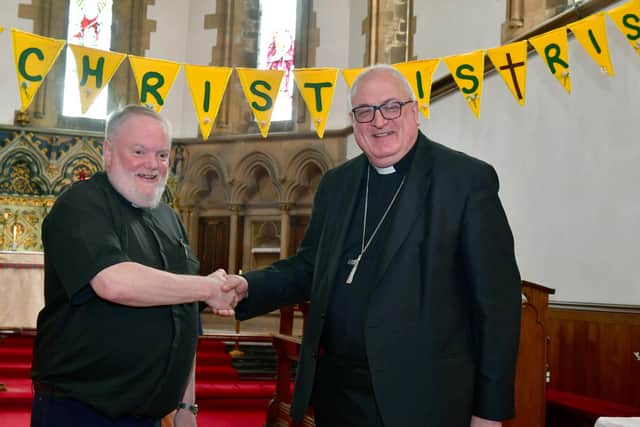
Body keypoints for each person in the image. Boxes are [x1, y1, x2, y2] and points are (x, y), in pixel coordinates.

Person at [222, 64, 522, 427]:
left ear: (414, 112)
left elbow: (497, 306)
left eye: (391, 107)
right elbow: (309, 269)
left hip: (425, 402)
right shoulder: (337, 184)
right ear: (353, 121)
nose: (379, 121)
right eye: (365, 112)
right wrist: (249, 286)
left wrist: (489, 412)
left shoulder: (464, 181)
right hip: (340, 396)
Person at [30, 105, 244, 427]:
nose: (152, 165)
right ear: (108, 152)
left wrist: (187, 406)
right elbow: (113, 282)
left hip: (152, 417)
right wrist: (208, 287)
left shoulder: (169, 218)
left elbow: (184, 319)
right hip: (80, 412)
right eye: (139, 151)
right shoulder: (81, 204)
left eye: (162, 155)